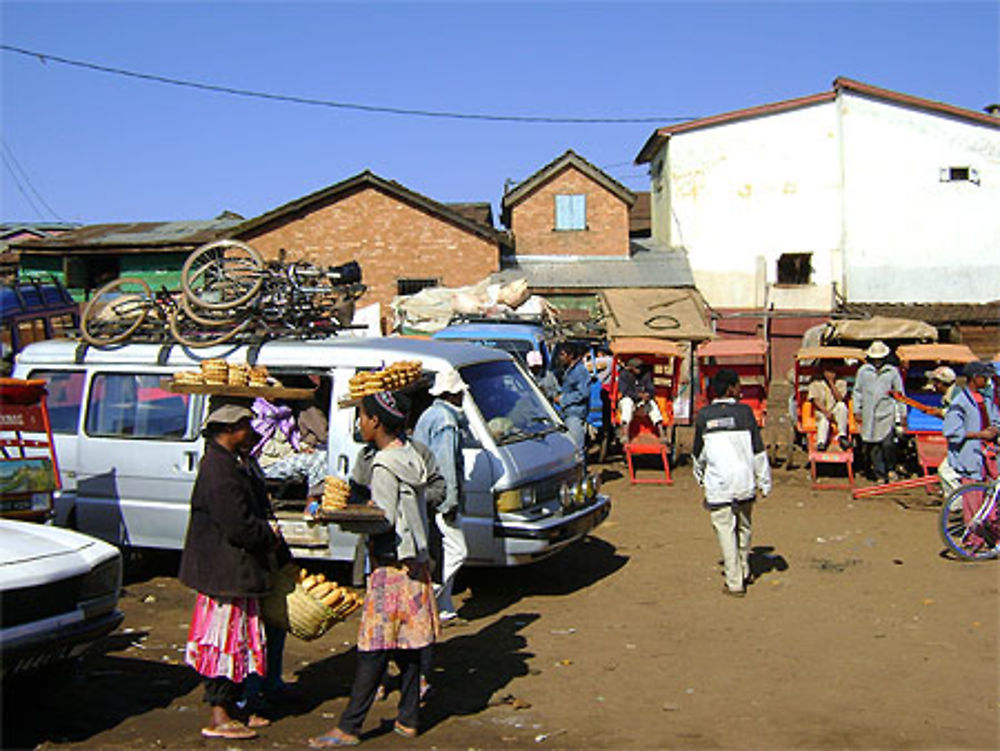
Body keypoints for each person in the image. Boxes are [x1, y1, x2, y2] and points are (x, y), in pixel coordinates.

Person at [309, 390, 438, 748]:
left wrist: (339, 517)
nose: (360, 423)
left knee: (374, 647)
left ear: (376, 422)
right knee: (411, 645)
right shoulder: (411, 455)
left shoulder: (383, 464)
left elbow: (381, 520)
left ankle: (349, 726)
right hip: (417, 563)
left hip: (391, 566)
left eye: (363, 417)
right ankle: (409, 717)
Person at [179, 397, 284, 741]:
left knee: (237, 641)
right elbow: (236, 523)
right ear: (228, 431)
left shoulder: (235, 463)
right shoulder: (218, 469)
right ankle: (219, 713)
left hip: (235, 572)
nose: (250, 432)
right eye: (244, 426)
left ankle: (234, 707)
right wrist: (267, 535)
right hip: (224, 572)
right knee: (222, 644)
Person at [692, 369, 771, 598]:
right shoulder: (746, 413)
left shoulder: (705, 416)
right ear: (730, 389)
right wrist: (764, 481)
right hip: (744, 481)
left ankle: (734, 581)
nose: (740, 389)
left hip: (718, 485)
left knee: (725, 531)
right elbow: (758, 450)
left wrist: (700, 477)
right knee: (744, 527)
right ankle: (744, 569)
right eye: (737, 386)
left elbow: (699, 454)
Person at [412, 370, 468, 623]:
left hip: (425, 492)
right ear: (451, 394)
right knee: (458, 551)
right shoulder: (446, 421)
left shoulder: (430, 414)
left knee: (443, 551)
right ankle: (430, 598)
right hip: (439, 496)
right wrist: (450, 502)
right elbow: (445, 464)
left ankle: (444, 609)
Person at [942, 361, 999, 500]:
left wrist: (995, 429)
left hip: (989, 454)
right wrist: (979, 435)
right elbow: (952, 432)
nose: (986, 380)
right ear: (974, 378)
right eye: (984, 377)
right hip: (970, 455)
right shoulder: (960, 402)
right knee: (974, 499)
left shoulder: (986, 400)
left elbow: (996, 419)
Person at [251, 396, 328, 494]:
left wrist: (302, 447)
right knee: (320, 459)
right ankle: (313, 501)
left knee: (322, 455)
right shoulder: (259, 418)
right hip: (268, 466)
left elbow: (292, 439)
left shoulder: (284, 417)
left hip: (285, 459)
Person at [852, 340, 904, 483]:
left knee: (888, 443)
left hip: (887, 412)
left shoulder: (892, 372)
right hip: (869, 413)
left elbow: (899, 394)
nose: (877, 362)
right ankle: (880, 473)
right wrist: (857, 409)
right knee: (874, 445)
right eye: (875, 359)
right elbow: (857, 392)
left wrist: (902, 413)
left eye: (879, 359)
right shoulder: (863, 372)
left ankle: (891, 469)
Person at [927, 366, 961, 496]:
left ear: (942, 383)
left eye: (936, 382)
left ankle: (958, 503)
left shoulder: (958, 396)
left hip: (964, 441)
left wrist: (940, 413)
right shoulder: (949, 395)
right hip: (956, 440)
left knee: (945, 472)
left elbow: (956, 416)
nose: (934, 385)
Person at [554, 343, 590, 453]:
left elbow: (583, 393)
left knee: (577, 449)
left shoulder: (580, 371)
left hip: (575, 414)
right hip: (566, 412)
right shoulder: (567, 370)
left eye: (562, 355)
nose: (560, 358)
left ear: (571, 356)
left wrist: (562, 399)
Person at [617, 356, 665, 441]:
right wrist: (638, 395)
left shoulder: (645, 375)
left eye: (641, 367)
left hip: (642, 401)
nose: (640, 370)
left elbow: (651, 388)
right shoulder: (624, 375)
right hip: (628, 399)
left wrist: (647, 395)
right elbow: (624, 391)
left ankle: (662, 434)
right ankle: (625, 433)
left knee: (652, 405)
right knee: (627, 404)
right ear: (631, 368)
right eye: (637, 368)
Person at [808, 361, 851, 451]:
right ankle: (821, 443)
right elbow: (814, 399)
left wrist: (831, 383)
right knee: (824, 419)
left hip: (835, 410)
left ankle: (842, 436)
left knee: (842, 406)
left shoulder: (841, 382)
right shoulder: (815, 382)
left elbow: (840, 398)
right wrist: (825, 411)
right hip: (821, 410)